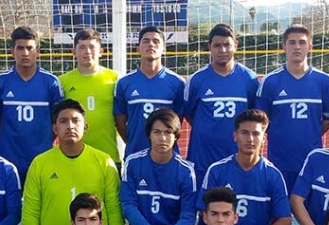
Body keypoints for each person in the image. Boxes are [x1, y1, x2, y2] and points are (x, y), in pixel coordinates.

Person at [22, 99, 124, 225]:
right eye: (63, 121)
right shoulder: (40, 163)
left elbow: (114, 208)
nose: (70, 126)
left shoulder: (104, 162)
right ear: (54, 128)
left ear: (85, 127)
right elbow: (31, 210)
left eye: (75, 120)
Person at [256, 24, 329, 191]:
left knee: (311, 212)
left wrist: (312, 132)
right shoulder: (270, 81)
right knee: (278, 213)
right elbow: (260, 121)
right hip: (279, 160)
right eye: (292, 42)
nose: (297, 47)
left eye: (302, 42)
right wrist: (280, 133)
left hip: (311, 159)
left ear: (310, 47)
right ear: (284, 47)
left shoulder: (323, 81)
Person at [183, 24, 260, 184]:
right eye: (217, 45)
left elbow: (253, 116)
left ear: (236, 45)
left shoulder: (249, 79)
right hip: (203, 159)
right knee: (204, 207)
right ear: (209, 47)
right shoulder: (197, 79)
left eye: (227, 44)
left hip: (237, 157)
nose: (222, 50)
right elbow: (189, 115)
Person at [0, 26, 64, 182]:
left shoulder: (51, 82)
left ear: (37, 51)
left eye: (30, 48)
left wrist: (43, 141)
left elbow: (58, 120)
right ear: (12, 51)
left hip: (42, 157)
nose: (25, 53)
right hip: (9, 158)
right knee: (11, 205)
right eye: (20, 48)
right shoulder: (1, 82)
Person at [114, 26, 186, 159]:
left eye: (156, 41)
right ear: (138, 48)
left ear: (164, 49)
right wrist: (135, 142)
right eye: (146, 41)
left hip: (167, 158)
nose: (151, 44)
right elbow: (120, 122)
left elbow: (177, 122)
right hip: (135, 155)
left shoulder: (177, 83)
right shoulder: (124, 83)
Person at [59, 28, 121, 164]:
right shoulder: (62, 82)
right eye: (82, 47)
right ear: (74, 52)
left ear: (101, 52)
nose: (87, 51)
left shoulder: (115, 79)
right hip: (73, 156)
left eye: (92, 47)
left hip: (108, 156)